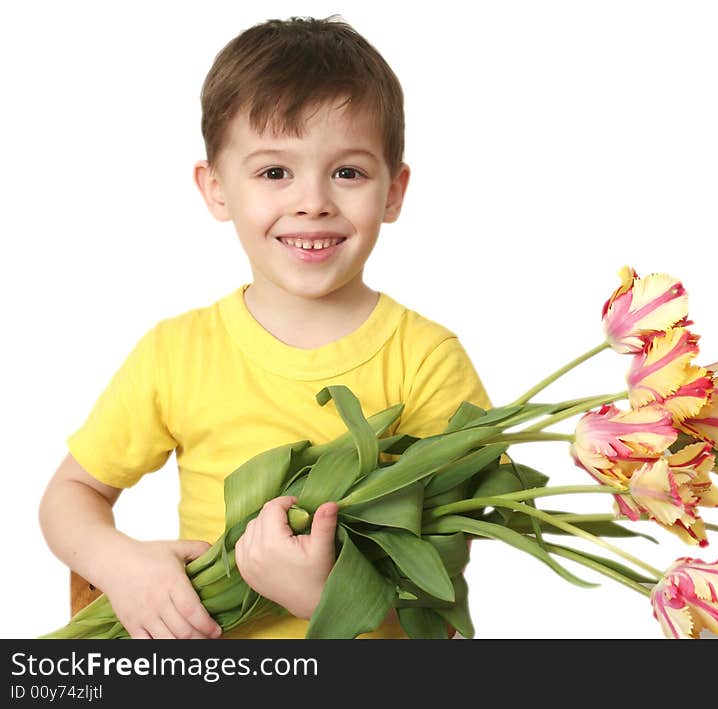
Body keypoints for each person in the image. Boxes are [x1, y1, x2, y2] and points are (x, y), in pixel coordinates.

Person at [38, 15, 493, 640]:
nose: (313, 201)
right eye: (274, 172)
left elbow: (443, 572)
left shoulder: (425, 359)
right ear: (216, 189)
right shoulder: (177, 353)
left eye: (348, 172)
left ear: (394, 191)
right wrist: (122, 565)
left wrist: (329, 596)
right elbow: (69, 496)